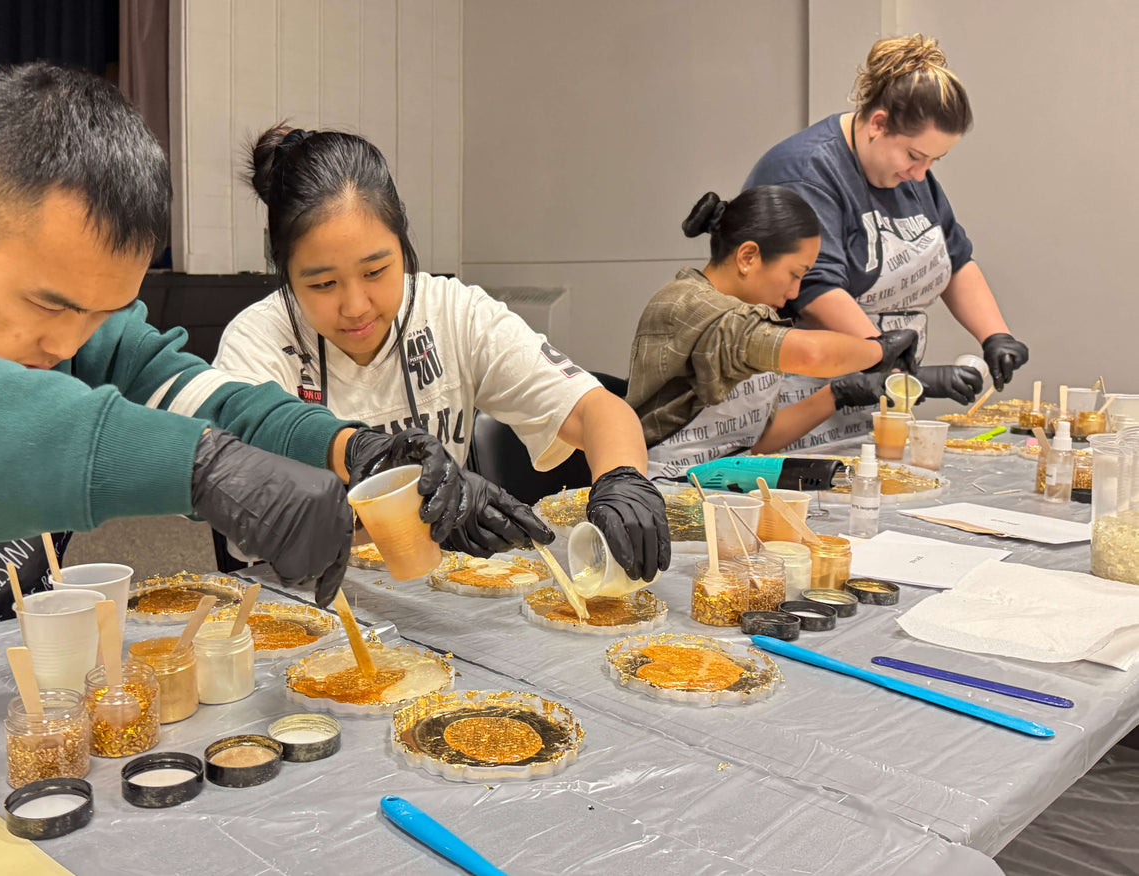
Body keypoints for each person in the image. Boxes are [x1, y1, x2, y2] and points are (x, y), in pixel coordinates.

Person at [0, 64, 494, 674]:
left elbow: (199, 397)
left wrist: (354, 450)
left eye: (99, 314)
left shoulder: (75, 326)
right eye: (48, 306)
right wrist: (197, 468)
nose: (68, 347)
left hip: (11, 687)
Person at [213, 126, 670, 581]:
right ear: (285, 273)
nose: (355, 306)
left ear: (403, 243)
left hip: (437, 594)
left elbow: (595, 409)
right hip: (304, 598)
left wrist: (623, 479)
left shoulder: (453, 313)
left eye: (376, 271)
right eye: (322, 284)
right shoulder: (257, 343)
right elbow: (240, 497)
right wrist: (414, 510)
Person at [744, 34, 1028, 448]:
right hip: (796, 412)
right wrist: (897, 370)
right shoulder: (806, 172)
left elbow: (954, 258)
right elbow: (815, 289)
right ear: (878, 124)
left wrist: (995, 336)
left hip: (876, 399)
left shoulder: (910, 176)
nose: (921, 172)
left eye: (935, 161)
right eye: (915, 156)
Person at [627, 187, 920, 477]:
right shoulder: (690, 305)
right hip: (662, 489)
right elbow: (811, 354)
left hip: (720, 481)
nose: (795, 292)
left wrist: (838, 394)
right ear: (748, 257)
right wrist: (880, 350)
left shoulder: (748, 314)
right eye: (795, 274)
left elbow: (756, 442)